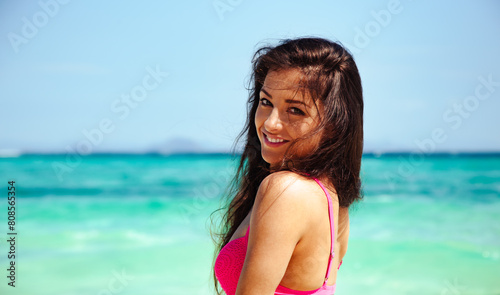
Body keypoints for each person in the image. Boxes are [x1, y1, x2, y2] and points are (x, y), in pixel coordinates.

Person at [211, 37, 363, 295]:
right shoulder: (334, 198)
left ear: (335, 124)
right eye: (266, 102)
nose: (270, 124)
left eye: (295, 110)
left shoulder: (284, 190)